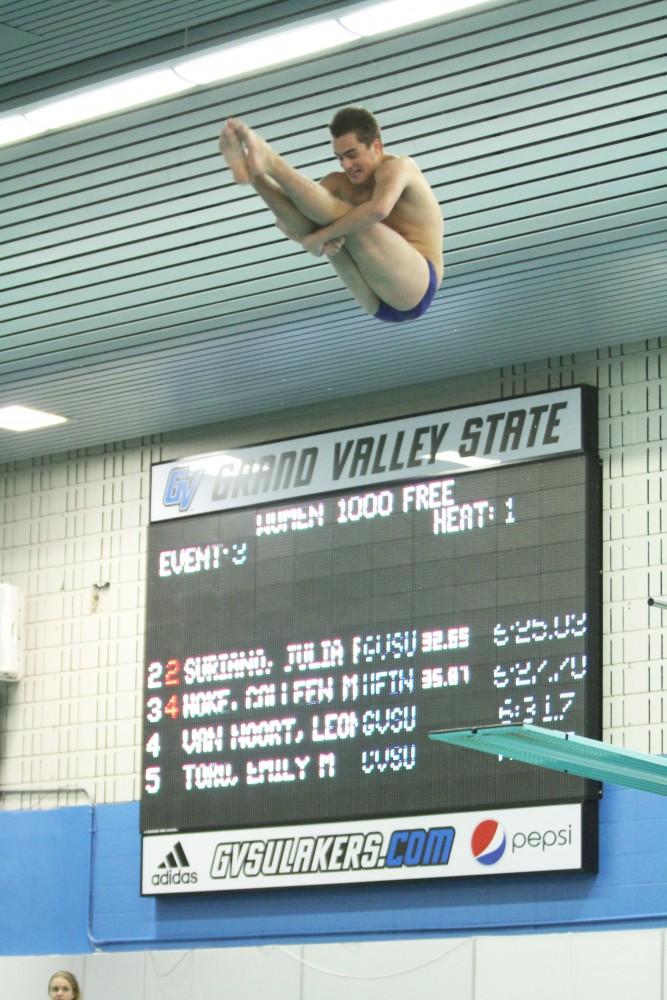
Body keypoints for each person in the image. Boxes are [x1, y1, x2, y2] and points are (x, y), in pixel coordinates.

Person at [219, 107, 444, 322]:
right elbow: (286, 224)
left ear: (376, 146)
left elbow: (378, 210)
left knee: (352, 217)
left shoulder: (398, 167)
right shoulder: (339, 182)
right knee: (318, 221)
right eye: (340, 158)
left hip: (417, 285)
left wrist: (317, 239)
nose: (347, 165)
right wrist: (314, 243)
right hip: (376, 304)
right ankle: (254, 175)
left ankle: (271, 162)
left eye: (352, 154)